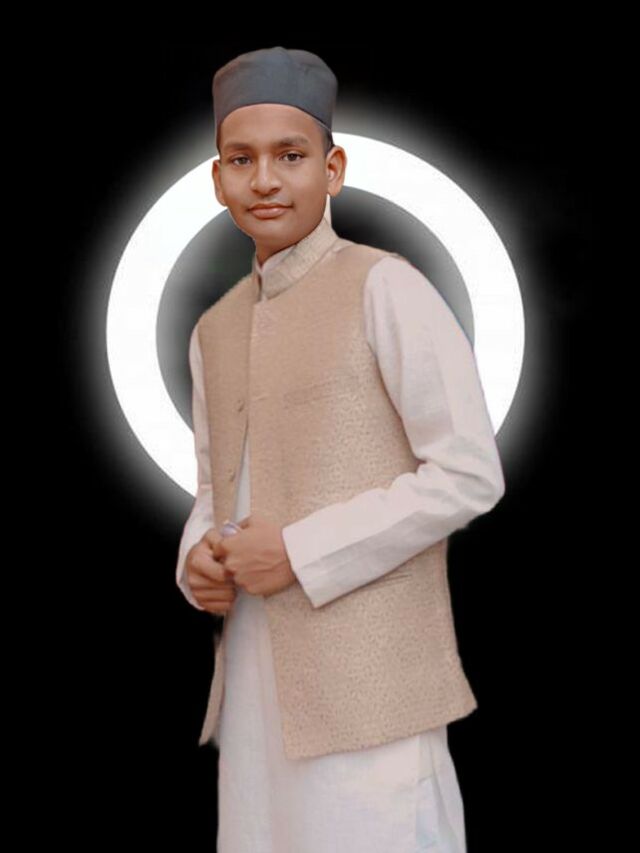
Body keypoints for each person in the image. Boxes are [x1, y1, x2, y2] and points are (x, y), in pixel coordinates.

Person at [175, 46, 506, 853]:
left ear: (333, 169)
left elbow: (468, 471)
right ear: (217, 180)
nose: (265, 180)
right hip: (252, 691)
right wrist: (197, 560)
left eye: (290, 156)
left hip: (371, 685)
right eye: (241, 159)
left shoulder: (385, 286)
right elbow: (215, 489)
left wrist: (298, 550)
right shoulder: (214, 328)